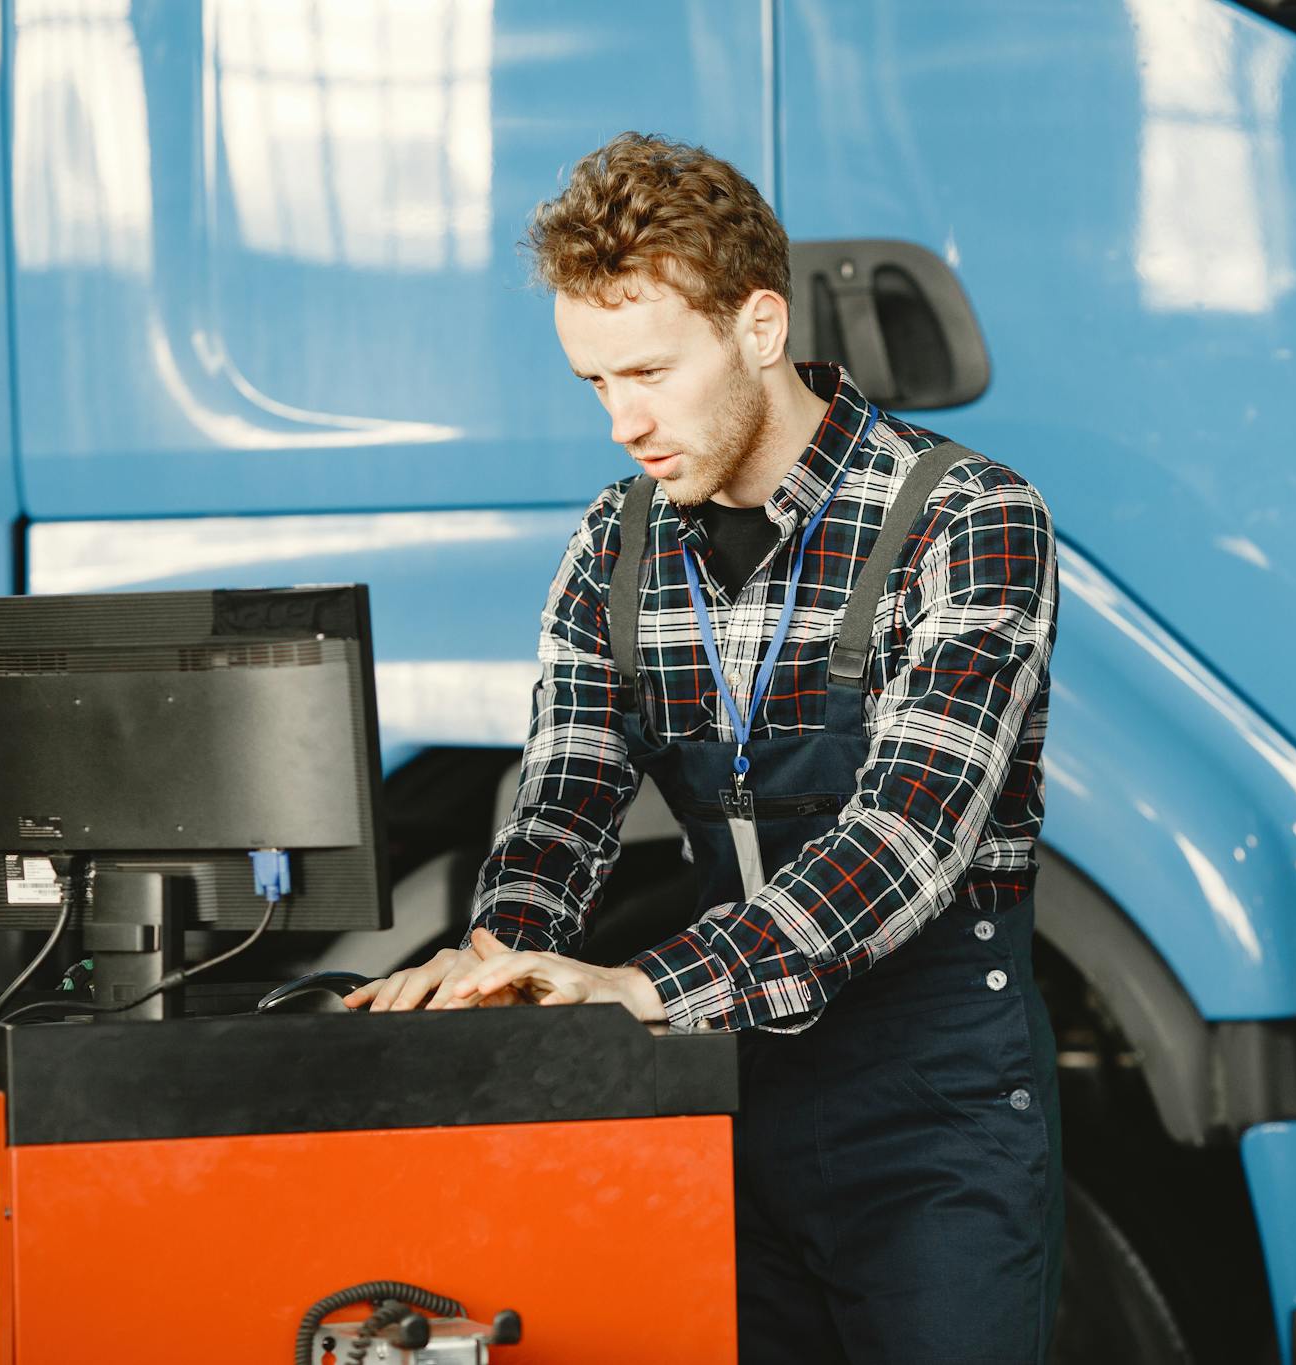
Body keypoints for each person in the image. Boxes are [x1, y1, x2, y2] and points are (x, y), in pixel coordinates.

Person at [345, 131, 1065, 1362]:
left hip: (929, 1115)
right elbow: (563, 792)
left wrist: (639, 987)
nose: (624, 421)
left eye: (648, 372)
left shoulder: (965, 518)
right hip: (717, 1099)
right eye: (593, 384)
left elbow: (905, 838)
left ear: (759, 327)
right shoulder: (613, 544)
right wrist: (496, 957)